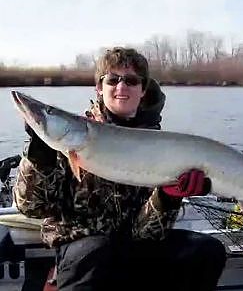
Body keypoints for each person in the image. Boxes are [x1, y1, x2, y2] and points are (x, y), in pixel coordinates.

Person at [13, 47, 226, 291]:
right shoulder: (70, 138)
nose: (121, 87)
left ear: (143, 89)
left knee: (207, 251)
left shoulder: (160, 146)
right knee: (97, 253)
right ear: (99, 88)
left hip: (136, 244)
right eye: (112, 80)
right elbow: (31, 207)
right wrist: (39, 158)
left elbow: (147, 233)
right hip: (83, 248)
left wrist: (168, 197)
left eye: (132, 81)